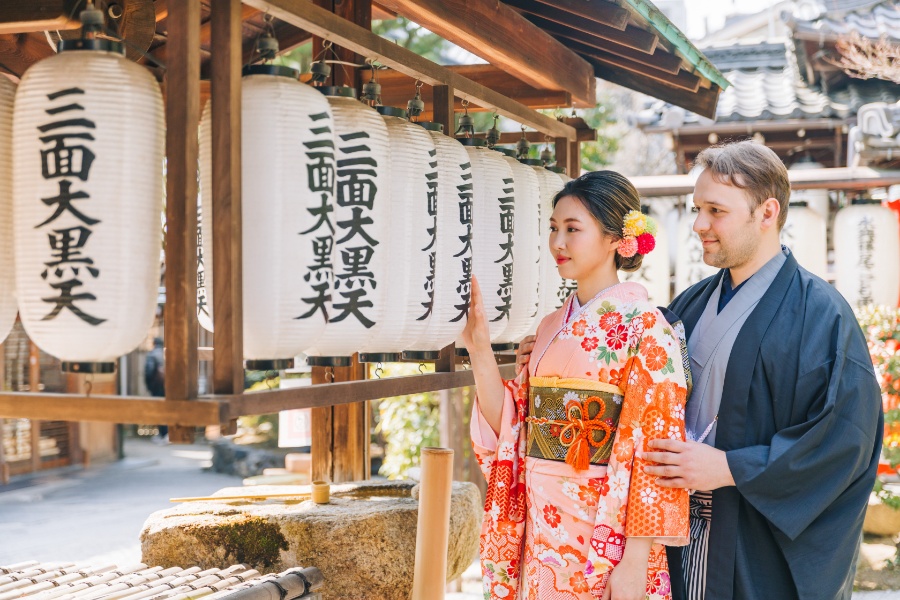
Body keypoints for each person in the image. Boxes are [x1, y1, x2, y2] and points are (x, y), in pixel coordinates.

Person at [515, 141, 883, 600]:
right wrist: (552, 347)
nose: (699, 225)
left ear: (767, 212)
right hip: (672, 527)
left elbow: (845, 439)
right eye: (696, 209)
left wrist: (732, 467)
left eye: (715, 211)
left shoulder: (821, 316)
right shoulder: (690, 305)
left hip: (752, 532)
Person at [464, 171, 691, 600]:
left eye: (572, 229)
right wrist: (479, 349)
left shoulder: (647, 328)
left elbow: (655, 448)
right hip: (542, 526)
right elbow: (512, 430)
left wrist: (634, 563)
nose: (557, 243)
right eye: (553, 228)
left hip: (607, 534)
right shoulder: (550, 326)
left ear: (614, 238)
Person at [144, 337, 168, 443]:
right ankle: (166, 433)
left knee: (159, 410)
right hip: (169, 386)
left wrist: (149, 386)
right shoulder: (166, 354)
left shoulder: (152, 355)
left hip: (157, 385)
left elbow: (148, 372)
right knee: (167, 409)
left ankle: (162, 434)